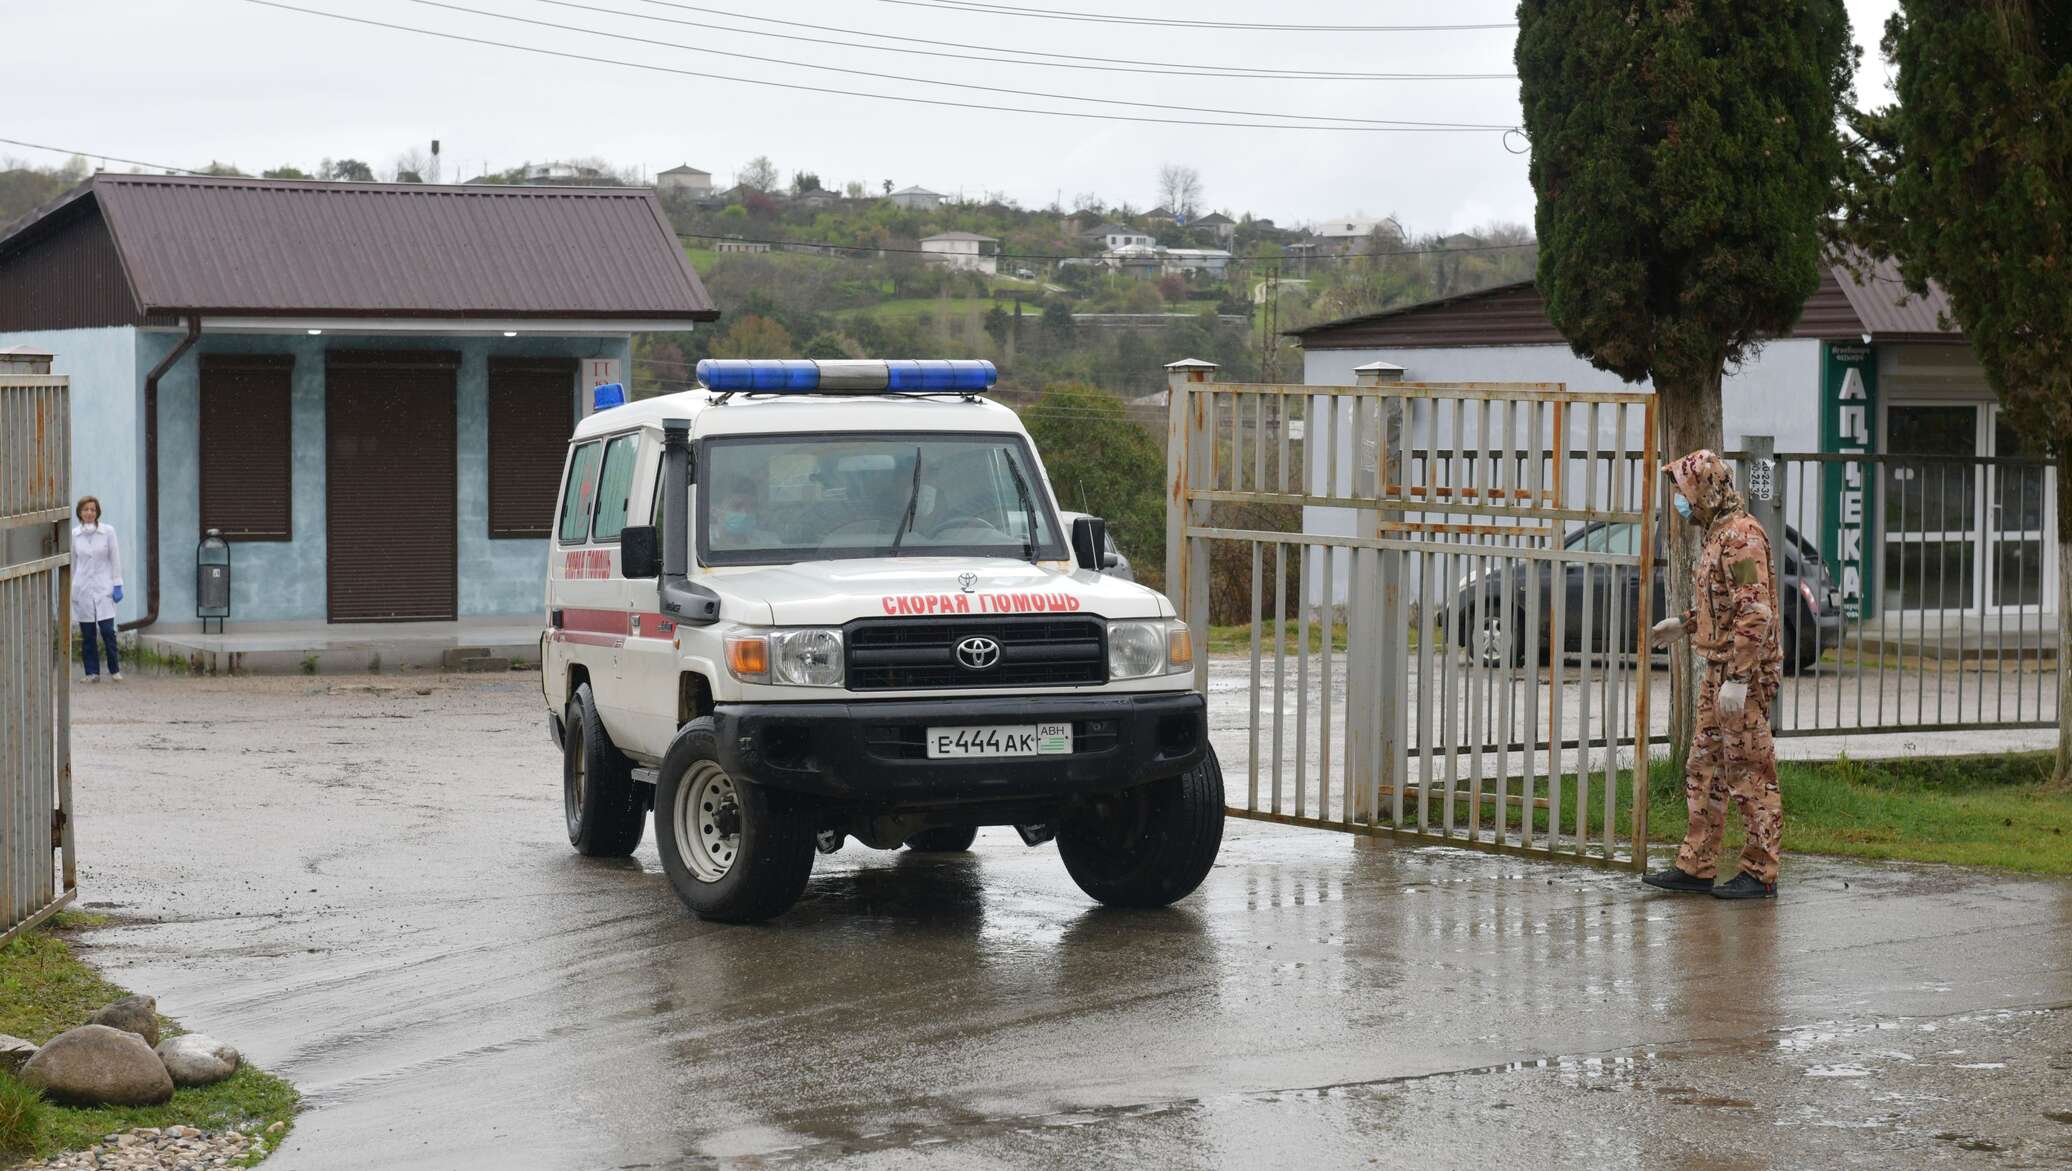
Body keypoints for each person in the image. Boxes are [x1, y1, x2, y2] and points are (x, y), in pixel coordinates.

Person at [1643, 450, 1784, 900]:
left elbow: (1754, 612)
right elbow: (1720, 603)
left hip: (1742, 675)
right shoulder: (1718, 534)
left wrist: (1741, 679)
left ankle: (1760, 873)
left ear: (1706, 489)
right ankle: (1697, 865)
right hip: (1719, 670)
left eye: (1685, 492)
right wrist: (1684, 624)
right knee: (1702, 767)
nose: (1681, 502)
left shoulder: (1742, 538)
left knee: (1749, 772)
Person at [71, 495, 125, 683]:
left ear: (97, 512)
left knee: (108, 631)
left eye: (92, 510)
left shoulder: (108, 532)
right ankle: (92, 672)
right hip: (83, 588)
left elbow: (115, 557)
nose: (89, 513)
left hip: (104, 587)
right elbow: (72, 564)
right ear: (80, 512)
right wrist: (71, 589)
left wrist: (117, 584)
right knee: (88, 634)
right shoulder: (74, 535)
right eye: (86, 509)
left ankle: (114, 669)